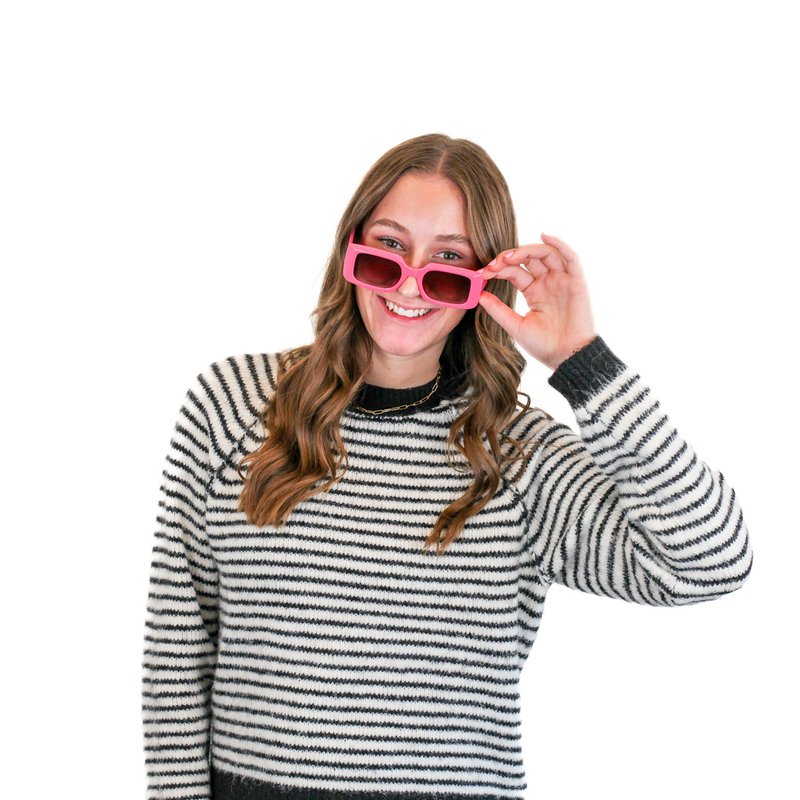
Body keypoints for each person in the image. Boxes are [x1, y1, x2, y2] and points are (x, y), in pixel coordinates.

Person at [141, 133, 752, 800]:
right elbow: (178, 646)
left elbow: (709, 562)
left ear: (483, 283)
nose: (408, 283)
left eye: (448, 262)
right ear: (351, 249)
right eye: (388, 249)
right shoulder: (233, 403)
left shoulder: (517, 454)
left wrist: (583, 362)